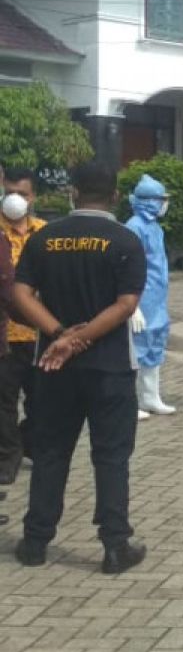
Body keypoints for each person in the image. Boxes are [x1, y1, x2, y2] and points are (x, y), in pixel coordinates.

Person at [11, 161, 148, 573]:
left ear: (72, 193)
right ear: (116, 196)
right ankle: (114, 545)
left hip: (52, 368)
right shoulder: (124, 240)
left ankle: (35, 542)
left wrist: (59, 335)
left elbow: (20, 294)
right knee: (110, 457)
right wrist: (79, 340)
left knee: (51, 453)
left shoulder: (45, 238)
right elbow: (126, 305)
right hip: (110, 369)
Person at [125, 175, 175, 418]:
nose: (164, 203)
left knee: (155, 345)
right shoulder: (134, 227)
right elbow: (127, 267)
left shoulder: (154, 227)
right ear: (148, 201)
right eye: (161, 199)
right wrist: (132, 305)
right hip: (141, 297)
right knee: (136, 349)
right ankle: (130, 400)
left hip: (156, 297)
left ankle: (151, 397)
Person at [0, 165, 27, 485]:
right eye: (9, 192)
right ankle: (10, 454)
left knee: (42, 403)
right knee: (5, 404)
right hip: (10, 333)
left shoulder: (45, 233)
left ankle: (21, 447)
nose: (14, 199)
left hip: (33, 333)